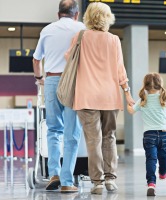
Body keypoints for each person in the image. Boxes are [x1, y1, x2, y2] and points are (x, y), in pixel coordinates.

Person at [65, 2, 134, 195]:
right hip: (109, 97)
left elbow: (68, 58)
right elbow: (121, 70)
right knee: (109, 137)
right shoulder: (113, 40)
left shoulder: (80, 37)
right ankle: (111, 179)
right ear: (107, 17)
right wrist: (127, 93)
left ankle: (97, 183)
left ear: (88, 16)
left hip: (86, 96)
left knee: (93, 140)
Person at [32, 0, 85, 192]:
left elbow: (36, 59)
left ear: (58, 14)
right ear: (76, 14)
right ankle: (67, 181)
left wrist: (39, 78)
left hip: (52, 81)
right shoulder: (82, 29)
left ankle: (53, 173)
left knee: (54, 129)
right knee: (72, 134)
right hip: (73, 82)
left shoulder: (47, 30)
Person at [127, 73, 166, 196]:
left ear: (146, 86)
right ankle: (163, 173)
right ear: (160, 85)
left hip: (149, 135)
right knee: (163, 156)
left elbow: (131, 111)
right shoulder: (164, 99)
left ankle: (151, 184)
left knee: (151, 159)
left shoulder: (143, 100)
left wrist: (128, 105)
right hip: (164, 134)